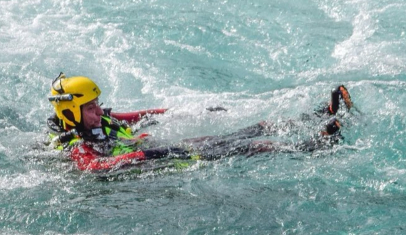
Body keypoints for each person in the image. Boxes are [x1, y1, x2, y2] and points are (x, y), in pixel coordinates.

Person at [46, 74, 352, 172]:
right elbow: (93, 167)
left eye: (98, 104)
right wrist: (145, 156)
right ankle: (311, 147)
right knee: (250, 147)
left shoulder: (103, 119)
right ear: (71, 112)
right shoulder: (74, 144)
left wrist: (190, 111)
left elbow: (144, 115)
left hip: (161, 149)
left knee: (253, 128)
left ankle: (317, 115)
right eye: (90, 108)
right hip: (161, 160)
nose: (98, 111)